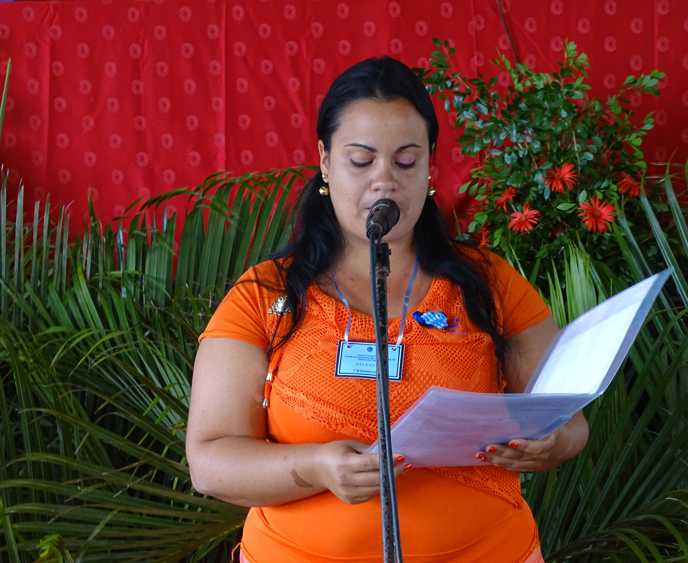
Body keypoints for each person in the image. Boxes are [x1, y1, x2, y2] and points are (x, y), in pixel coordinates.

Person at [186, 56, 589, 563]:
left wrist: (550, 442)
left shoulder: (487, 282)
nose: (384, 181)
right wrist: (316, 466)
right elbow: (210, 461)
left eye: (405, 161)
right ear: (326, 162)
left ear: (430, 166)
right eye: (361, 161)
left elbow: (569, 421)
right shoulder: (265, 294)